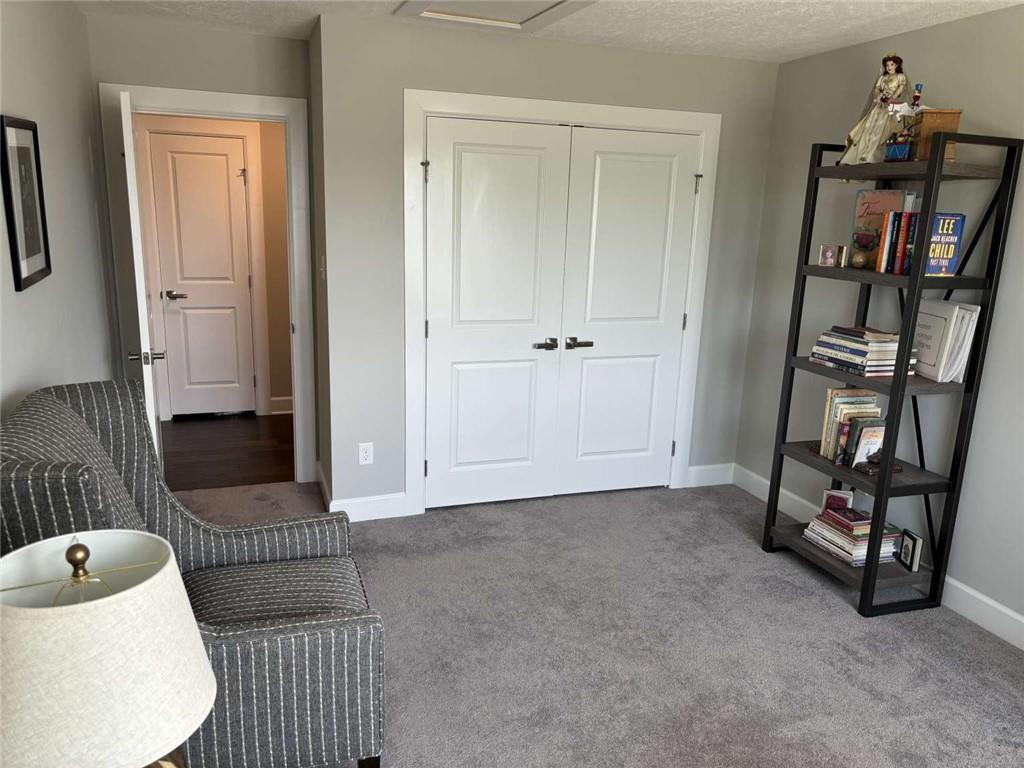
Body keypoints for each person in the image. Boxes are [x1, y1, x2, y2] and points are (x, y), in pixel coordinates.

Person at [839, 54, 911, 165]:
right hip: (880, 105)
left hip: (890, 106)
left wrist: (892, 98)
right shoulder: (883, 77)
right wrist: (878, 96)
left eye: (891, 64)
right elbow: (876, 88)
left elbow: (901, 88)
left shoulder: (900, 76)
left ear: (896, 65)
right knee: (869, 128)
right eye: (887, 65)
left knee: (883, 130)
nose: (889, 67)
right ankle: (860, 155)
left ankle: (872, 156)